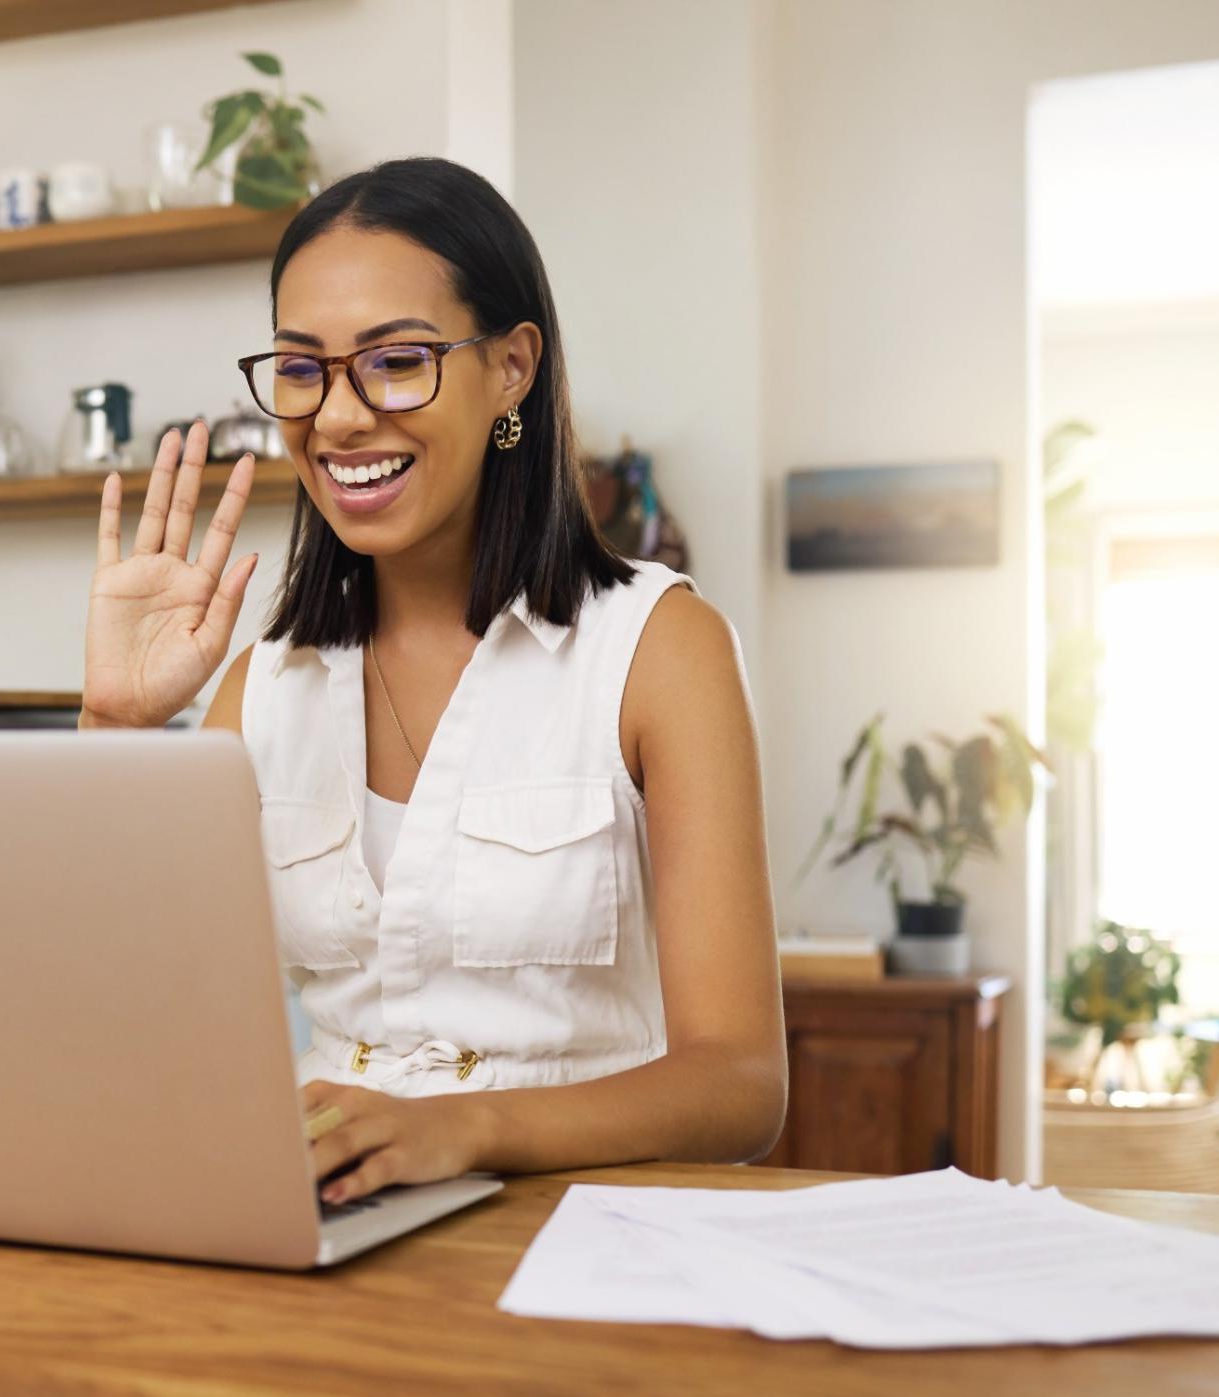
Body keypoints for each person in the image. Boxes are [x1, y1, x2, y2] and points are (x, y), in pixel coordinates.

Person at [80, 157, 784, 1205]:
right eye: (302, 367)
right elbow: (137, 1014)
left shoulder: (660, 651)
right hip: (321, 1214)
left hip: (585, 1232)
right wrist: (113, 724)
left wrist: (463, 1128)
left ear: (512, 368)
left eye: (398, 361)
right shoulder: (258, 689)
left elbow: (740, 1085)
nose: (340, 417)